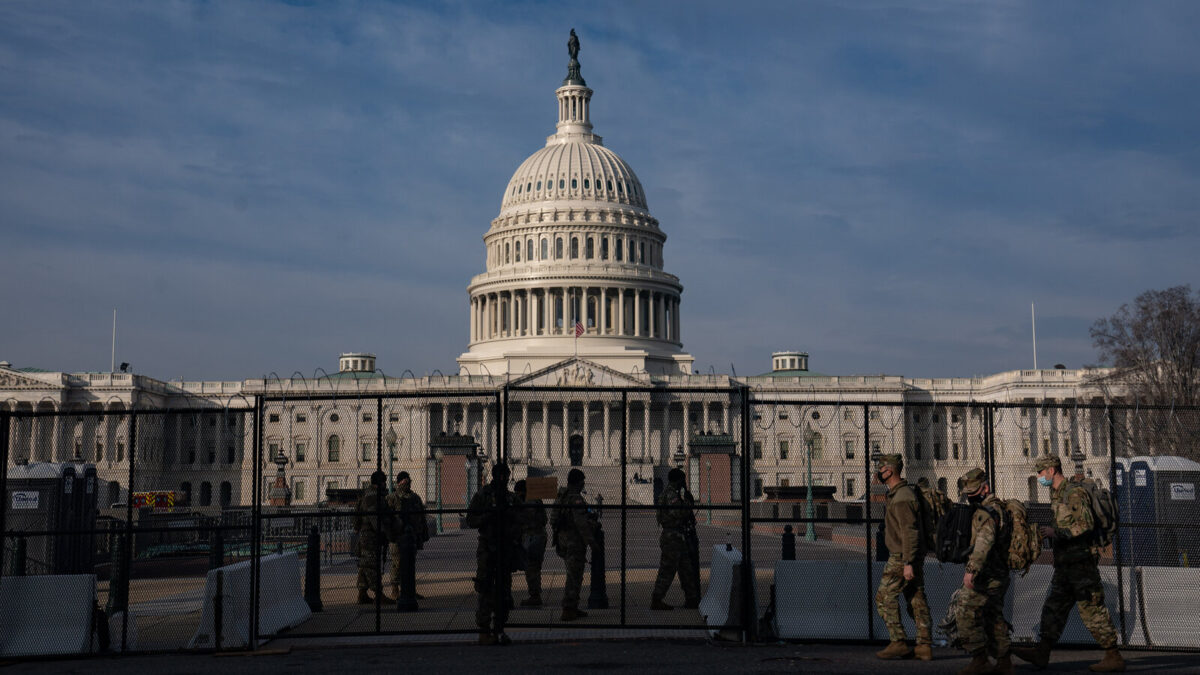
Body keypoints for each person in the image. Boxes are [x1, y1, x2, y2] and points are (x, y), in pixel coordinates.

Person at [1012, 455, 1125, 672]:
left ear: (1052, 470)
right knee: (1053, 609)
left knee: (1092, 609)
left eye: (1041, 472)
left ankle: (1113, 655)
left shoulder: (1073, 493)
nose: (1039, 477)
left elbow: (1086, 524)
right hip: (1066, 566)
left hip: (1081, 564)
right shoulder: (1058, 494)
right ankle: (1042, 653)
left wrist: (1057, 532)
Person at [873, 453, 933, 661]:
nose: (878, 473)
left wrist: (907, 563)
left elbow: (910, 532)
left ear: (889, 470)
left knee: (884, 597)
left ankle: (898, 641)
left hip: (902, 556)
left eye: (880, 469)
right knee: (915, 598)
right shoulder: (903, 493)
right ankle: (924, 646)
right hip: (910, 555)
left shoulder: (901, 498)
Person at [954, 468, 1014, 675]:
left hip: (986, 576)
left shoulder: (986, 513)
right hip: (999, 574)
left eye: (973, 492)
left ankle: (980, 659)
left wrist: (971, 570)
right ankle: (1004, 663)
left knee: (963, 611)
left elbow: (983, 544)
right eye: (968, 494)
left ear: (985, 488)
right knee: (993, 617)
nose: (970, 497)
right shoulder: (999, 508)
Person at [465, 462, 520, 645]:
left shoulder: (511, 498)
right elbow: (470, 519)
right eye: (501, 476)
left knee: (504, 591)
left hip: (506, 547)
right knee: (486, 588)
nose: (504, 479)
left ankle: (500, 629)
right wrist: (486, 517)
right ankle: (484, 630)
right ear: (494, 476)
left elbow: (522, 519)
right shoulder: (483, 495)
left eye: (506, 476)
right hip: (488, 546)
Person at [650, 467, 701, 610]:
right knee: (667, 570)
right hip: (672, 537)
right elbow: (679, 512)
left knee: (686, 570)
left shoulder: (669, 493)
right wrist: (689, 502)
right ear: (677, 480)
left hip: (677, 537)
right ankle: (657, 599)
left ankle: (692, 599)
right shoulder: (671, 495)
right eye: (682, 480)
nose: (683, 483)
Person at [552, 468, 595, 621]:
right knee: (574, 576)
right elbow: (581, 523)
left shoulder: (561, 497)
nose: (584, 484)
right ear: (578, 482)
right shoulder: (575, 498)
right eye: (582, 481)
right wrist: (592, 542)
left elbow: (553, 519)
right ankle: (569, 608)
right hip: (574, 542)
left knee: (572, 574)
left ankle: (572, 607)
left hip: (563, 541)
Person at [352, 470, 397, 605]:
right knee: (372, 564)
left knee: (364, 565)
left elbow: (357, 516)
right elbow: (374, 518)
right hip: (371, 535)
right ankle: (378, 594)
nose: (385, 485)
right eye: (384, 482)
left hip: (366, 534)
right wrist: (385, 532)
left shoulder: (366, 494)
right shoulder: (373, 496)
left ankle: (362, 593)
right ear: (380, 483)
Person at [387, 470, 429, 600]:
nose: (407, 483)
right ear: (399, 482)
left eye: (408, 480)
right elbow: (387, 519)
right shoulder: (392, 498)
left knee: (411, 563)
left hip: (412, 536)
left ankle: (410, 589)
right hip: (397, 537)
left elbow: (422, 517)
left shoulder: (415, 498)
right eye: (404, 480)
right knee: (397, 563)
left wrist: (423, 534)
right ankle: (395, 590)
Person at [514, 479, 548, 607]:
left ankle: (534, 596)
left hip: (533, 537)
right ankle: (535, 594)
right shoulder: (535, 499)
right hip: (536, 536)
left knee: (531, 567)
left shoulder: (530, 501)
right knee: (534, 567)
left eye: (518, 493)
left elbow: (525, 517)